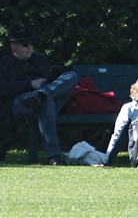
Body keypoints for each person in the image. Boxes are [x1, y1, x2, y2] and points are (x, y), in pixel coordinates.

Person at [0, 26, 79, 165]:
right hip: (20, 101)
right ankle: (53, 156)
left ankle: (41, 95)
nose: (29, 47)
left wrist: (46, 83)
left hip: (45, 97)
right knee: (46, 103)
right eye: (25, 44)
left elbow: (50, 80)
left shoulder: (39, 60)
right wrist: (30, 84)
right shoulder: (4, 64)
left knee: (71, 76)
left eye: (31, 44)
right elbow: (4, 88)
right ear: (13, 46)